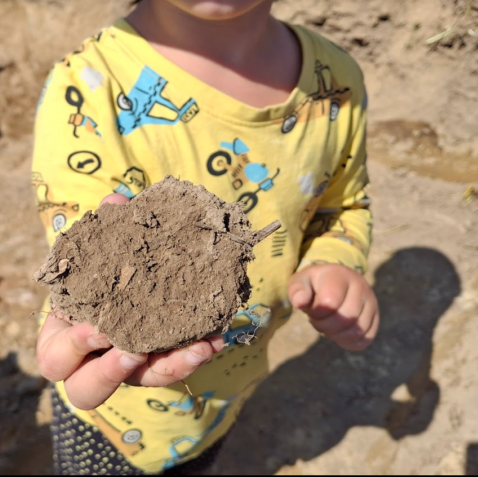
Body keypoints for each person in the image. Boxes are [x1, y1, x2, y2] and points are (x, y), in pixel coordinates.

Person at [32, 0, 379, 474]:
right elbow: (82, 260)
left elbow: (344, 205)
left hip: (228, 392)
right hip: (117, 415)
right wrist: (81, 325)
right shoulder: (90, 88)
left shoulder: (335, 81)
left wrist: (336, 259)